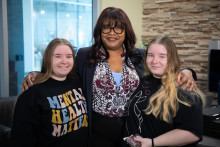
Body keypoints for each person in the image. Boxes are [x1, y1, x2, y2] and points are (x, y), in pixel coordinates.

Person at [20, 7, 196, 147]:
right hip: (97, 132)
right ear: (100, 30)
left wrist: (188, 72)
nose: (112, 32)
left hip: (133, 130)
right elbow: (63, 68)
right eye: (106, 27)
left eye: (118, 27)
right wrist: (36, 74)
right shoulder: (84, 55)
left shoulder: (140, 56)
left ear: (126, 31)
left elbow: (166, 64)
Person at [124, 36, 205, 147]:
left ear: (172, 59)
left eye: (162, 56)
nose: (154, 61)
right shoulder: (142, 81)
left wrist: (152, 143)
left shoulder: (185, 91)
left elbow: (192, 133)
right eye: (151, 55)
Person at [10, 38, 88, 147]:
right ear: (48, 59)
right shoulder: (32, 93)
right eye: (57, 56)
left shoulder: (79, 82)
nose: (64, 61)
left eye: (69, 56)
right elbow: (20, 139)